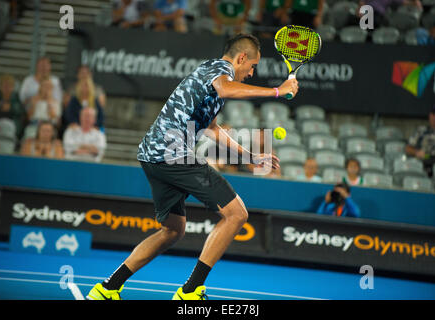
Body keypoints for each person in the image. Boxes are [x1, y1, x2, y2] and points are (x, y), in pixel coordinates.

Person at [86, 34, 297, 300]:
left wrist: (249, 156)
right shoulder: (221, 71)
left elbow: (211, 128)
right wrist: (278, 91)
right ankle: (190, 290)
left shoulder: (210, 74)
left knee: (173, 230)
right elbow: (226, 89)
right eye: (252, 66)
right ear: (241, 58)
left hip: (153, 155)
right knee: (236, 214)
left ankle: (107, 287)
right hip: (172, 151)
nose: (252, 72)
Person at [406, 104, 435, 177]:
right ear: (430, 115)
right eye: (434, 115)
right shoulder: (421, 130)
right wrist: (417, 152)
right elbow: (408, 148)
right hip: (426, 158)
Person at [357, 0, 422, 29]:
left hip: (378, 16)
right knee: (352, 19)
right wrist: (360, 12)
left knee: (375, 19)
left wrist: (414, 2)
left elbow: (403, 2)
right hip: (366, 12)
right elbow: (361, 3)